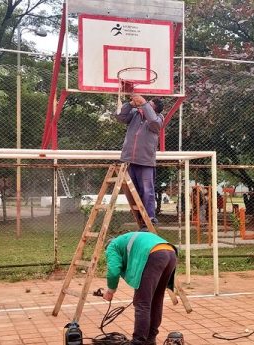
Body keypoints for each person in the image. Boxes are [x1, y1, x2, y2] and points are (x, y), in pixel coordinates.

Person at [103, 232, 177, 345]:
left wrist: (110, 291)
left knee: (142, 302)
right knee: (156, 300)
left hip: (154, 255)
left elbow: (113, 272)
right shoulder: (124, 239)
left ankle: (138, 341)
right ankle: (150, 339)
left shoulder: (112, 247)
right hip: (170, 253)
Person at [116, 93, 164, 225]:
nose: (145, 105)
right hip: (129, 160)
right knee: (132, 192)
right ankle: (139, 218)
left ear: (154, 109)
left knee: (147, 191)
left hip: (145, 162)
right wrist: (130, 104)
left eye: (149, 104)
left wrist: (143, 103)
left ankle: (150, 218)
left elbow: (153, 122)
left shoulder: (158, 119)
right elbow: (120, 117)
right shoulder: (135, 114)